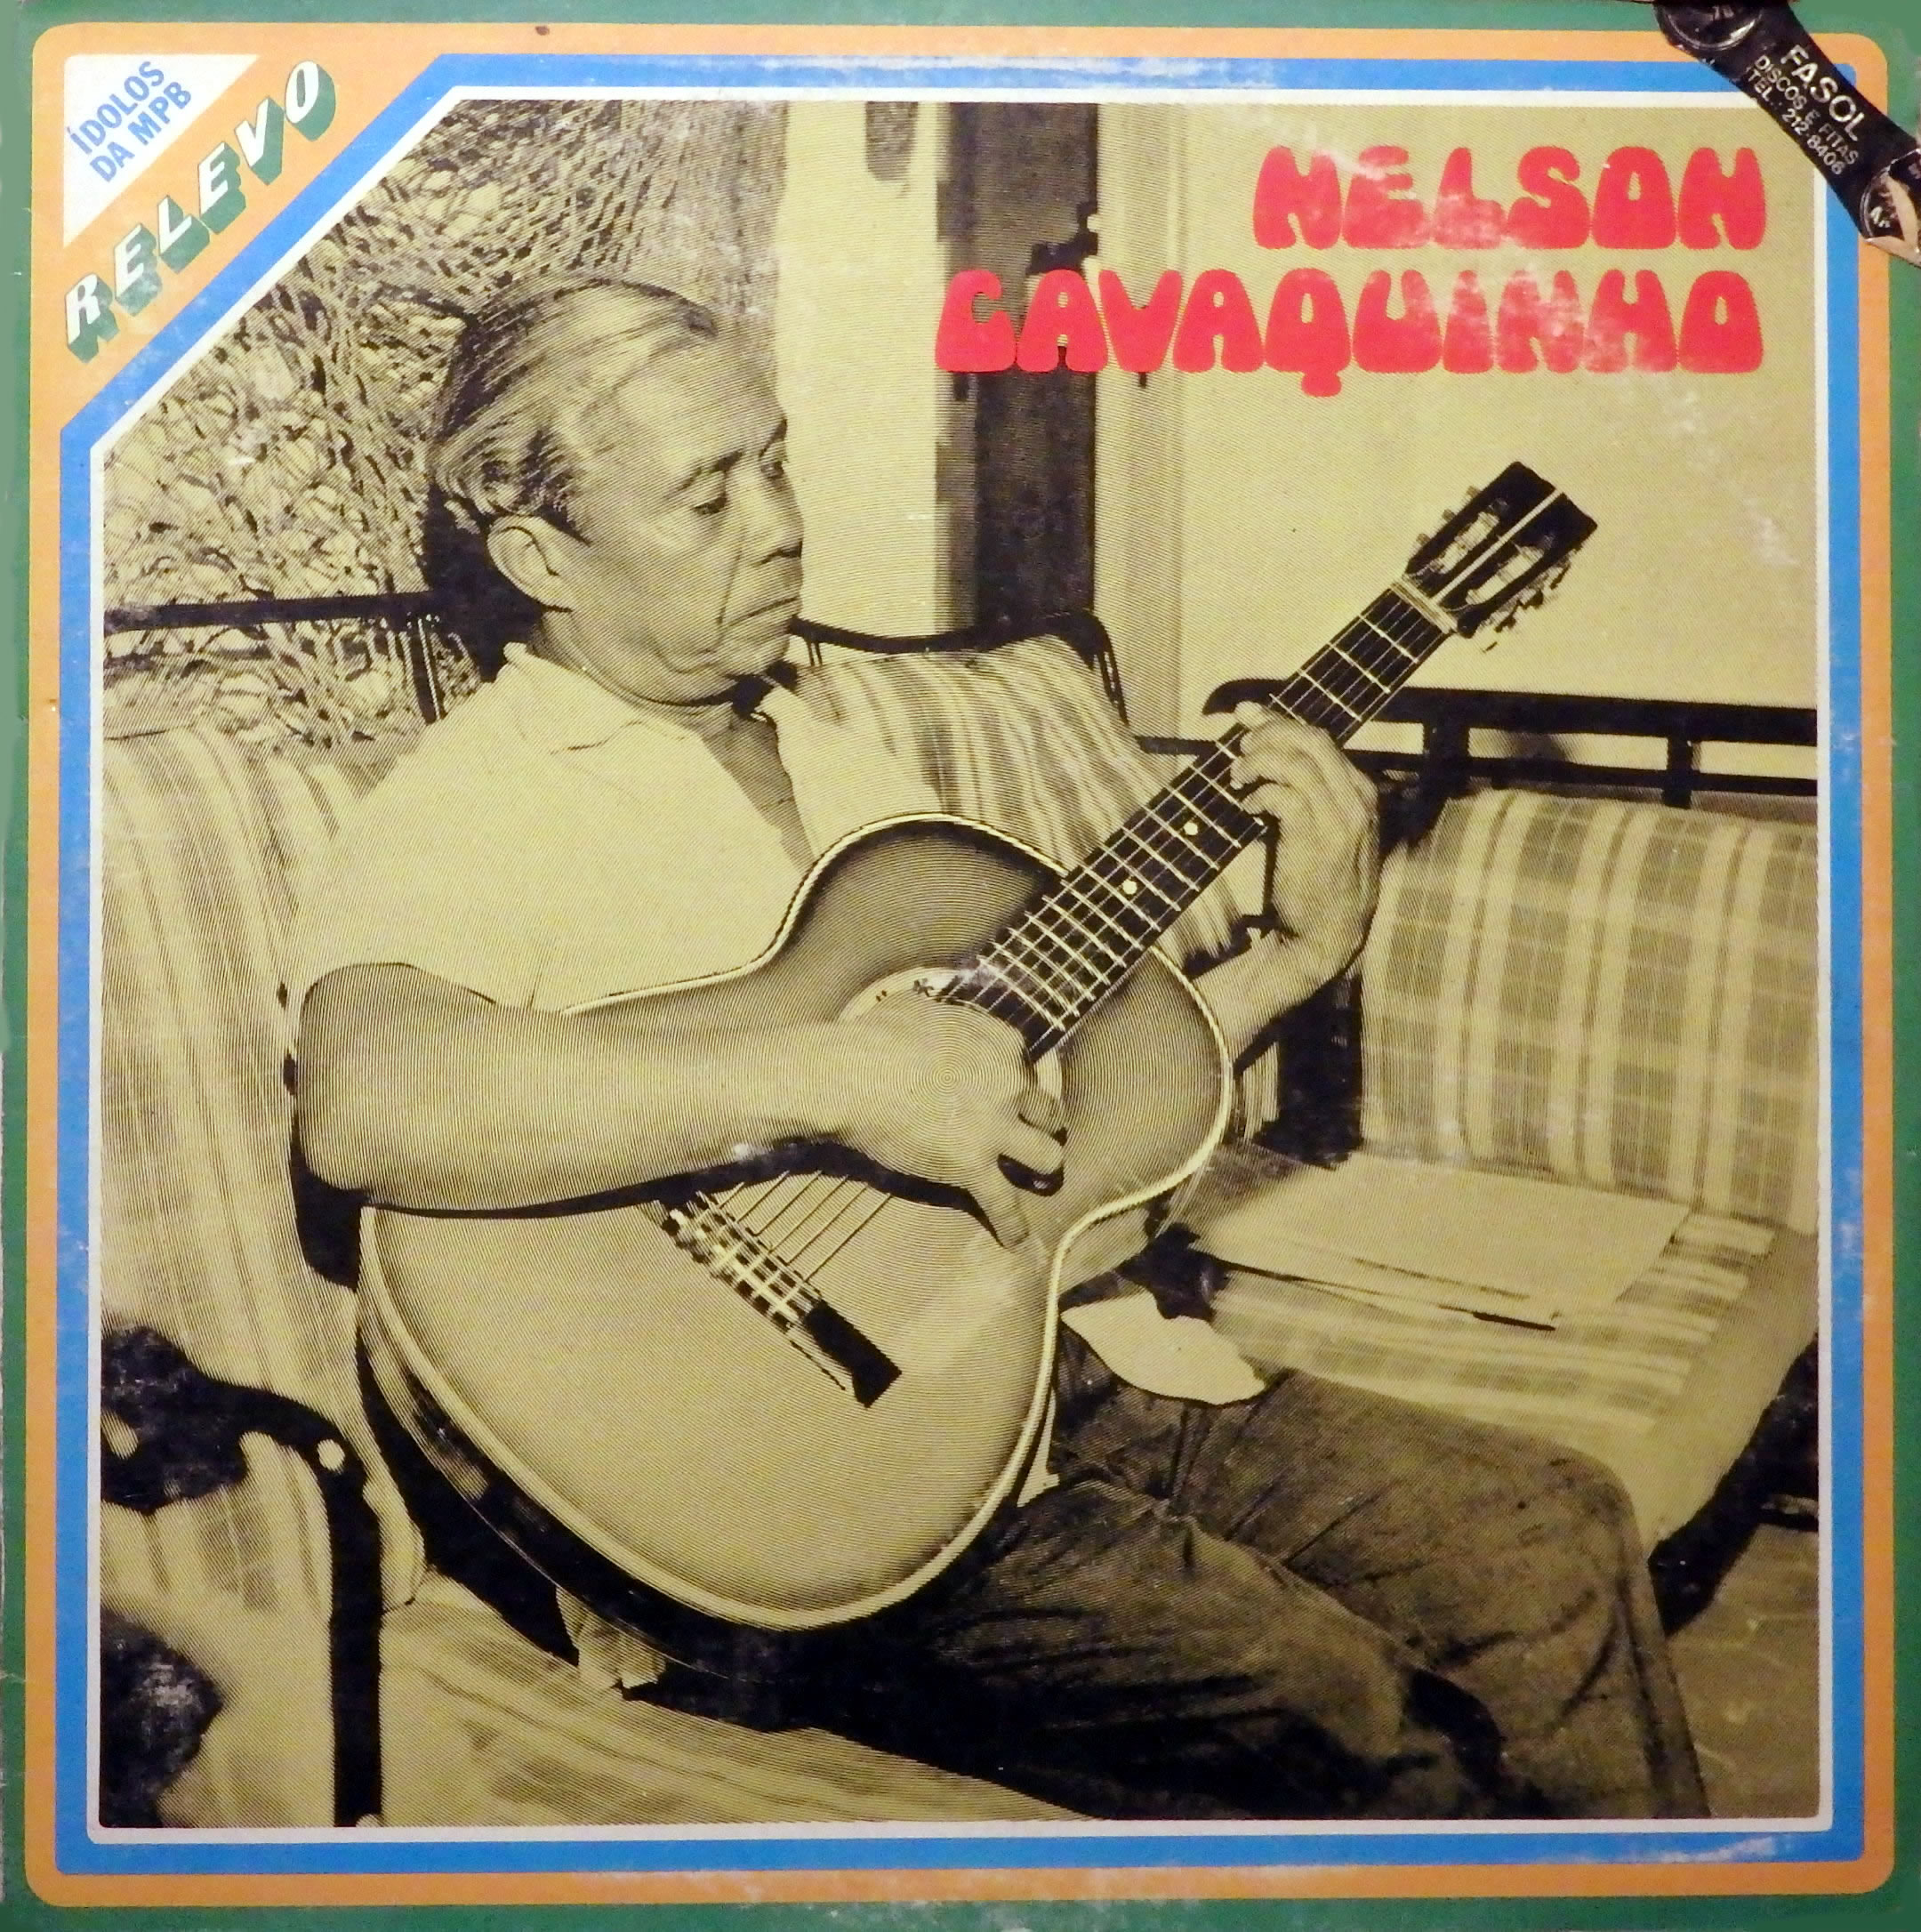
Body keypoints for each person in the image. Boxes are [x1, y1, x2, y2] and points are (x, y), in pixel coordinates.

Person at [288, 272, 1705, 1823]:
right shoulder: (476, 801)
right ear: (541, 555)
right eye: (709, 496)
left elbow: (1060, 1136)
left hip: (1062, 1372)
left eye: (776, 462)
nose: (781, 525)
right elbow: (368, 1100)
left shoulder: (845, 759)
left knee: (1550, 1530)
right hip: (805, 1498)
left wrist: (1291, 964)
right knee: (1348, 1716)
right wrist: (831, 1079)